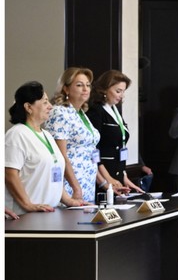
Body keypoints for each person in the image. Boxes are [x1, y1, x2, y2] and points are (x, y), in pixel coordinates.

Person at [6, 81, 86, 214]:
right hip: (25, 215)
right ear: (28, 107)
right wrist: (28, 205)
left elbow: (53, 175)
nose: (50, 106)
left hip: (50, 212)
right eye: (44, 102)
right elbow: (10, 174)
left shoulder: (47, 135)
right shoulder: (16, 134)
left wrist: (68, 200)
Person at [44, 67, 101, 203]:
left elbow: (90, 152)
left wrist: (104, 182)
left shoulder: (81, 113)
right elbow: (60, 155)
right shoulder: (60, 113)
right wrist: (75, 187)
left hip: (87, 181)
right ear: (66, 89)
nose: (85, 89)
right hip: (69, 184)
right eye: (79, 85)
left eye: (88, 85)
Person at [88, 70, 143, 194]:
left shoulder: (115, 111)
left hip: (117, 172)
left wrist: (125, 178)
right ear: (104, 90)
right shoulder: (96, 111)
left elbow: (120, 146)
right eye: (118, 91)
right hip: (102, 175)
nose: (121, 96)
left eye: (123, 92)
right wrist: (107, 179)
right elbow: (94, 149)